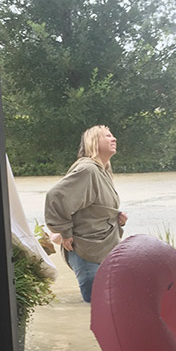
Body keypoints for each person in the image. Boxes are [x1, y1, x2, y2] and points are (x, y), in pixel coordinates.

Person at [44, 125, 128, 302]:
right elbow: (56, 196)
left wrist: (117, 218)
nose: (114, 139)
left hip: (102, 250)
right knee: (96, 307)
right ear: (93, 142)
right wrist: (64, 232)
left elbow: (90, 208)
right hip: (87, 252)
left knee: (104, 306)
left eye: (113, 135)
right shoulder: (88, 170)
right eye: (108, 136)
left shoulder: (102, 171)